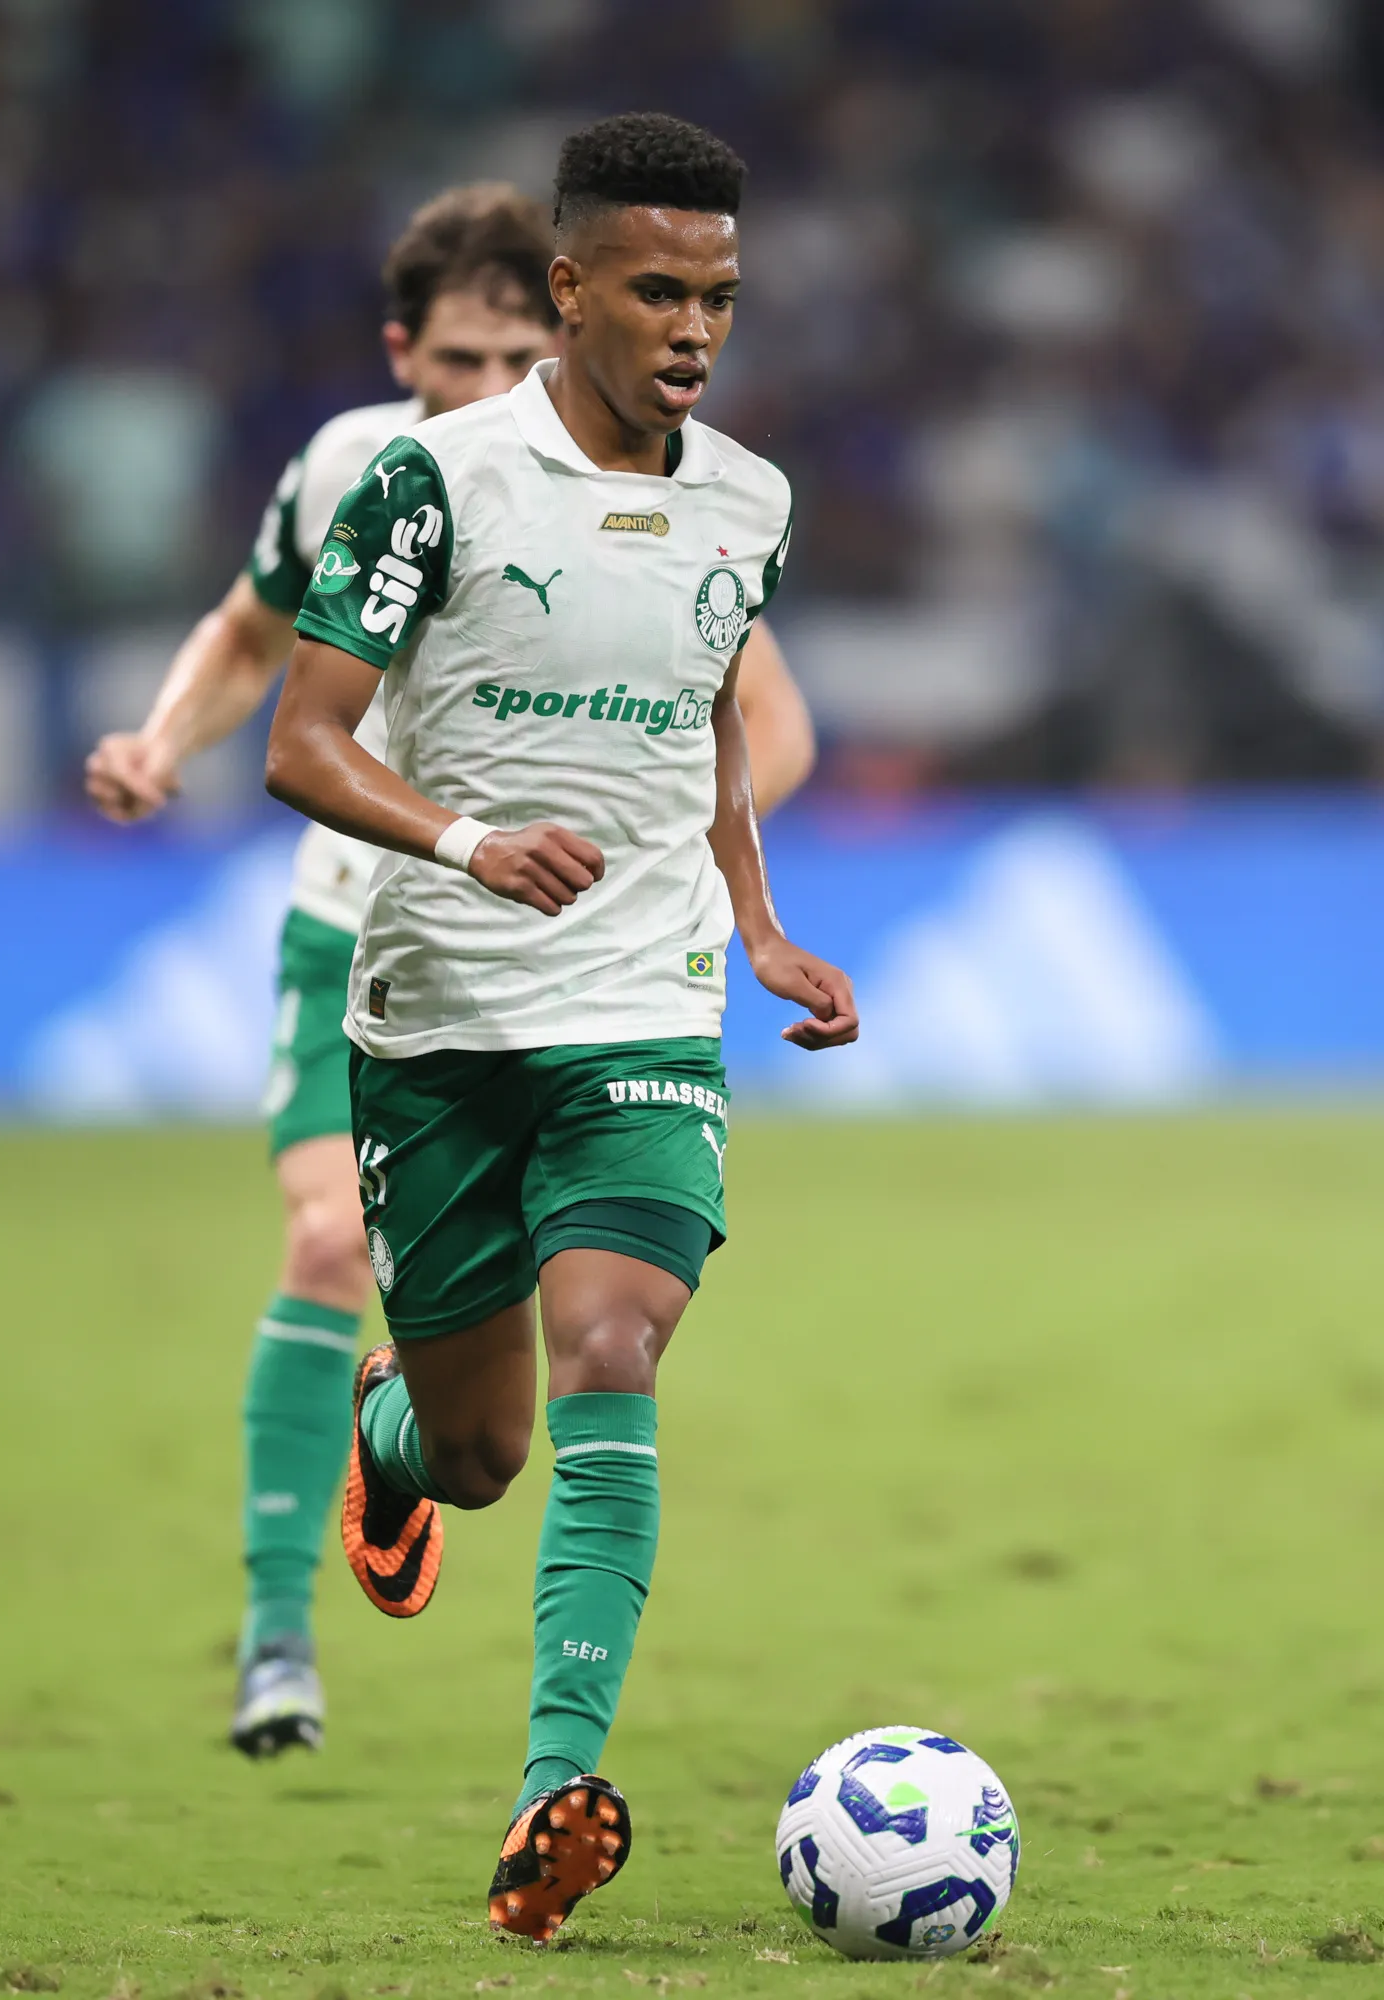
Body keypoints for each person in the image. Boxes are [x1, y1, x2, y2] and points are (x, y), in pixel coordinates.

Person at [81, 183, 819, 1762]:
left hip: (600, 968)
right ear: (406, 352)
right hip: (374, 916)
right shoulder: (379, 474)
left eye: (512, 352)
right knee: (325, 1231)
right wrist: (161, 739)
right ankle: (278, 1641)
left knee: (547, 1390)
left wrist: (718, 893)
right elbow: (249, 641)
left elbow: (748, 711)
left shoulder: (711, 493)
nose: (490, 387)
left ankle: (437, 1533)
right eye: (459, 356)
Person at [264, 112, 855, 1943]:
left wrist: (754, 921)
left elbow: (702, 731)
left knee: (614, 1341)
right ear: (574, 287)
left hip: (643, 1003)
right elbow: (301, 740)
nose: (696, 327)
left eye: (725, 298)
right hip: (438, 1014)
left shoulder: (744, 502)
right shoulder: (431, 485)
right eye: (663, 290)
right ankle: (389, 1440)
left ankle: (552, 1794)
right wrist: (459, 836)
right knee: (478, 1455)